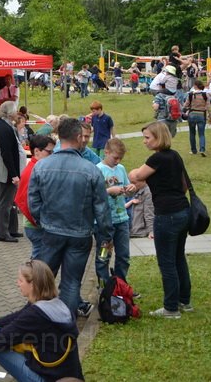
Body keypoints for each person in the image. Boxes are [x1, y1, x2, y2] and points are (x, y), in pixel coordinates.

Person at [28, 116, 113, 319]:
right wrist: (106, 236)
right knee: (72, 282)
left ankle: (37, 321)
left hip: (51, 231)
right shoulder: (91, 170)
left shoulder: (42, 166)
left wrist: (43, 221)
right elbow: (102, 209)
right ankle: (66, 325)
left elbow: (33, 202)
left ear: (58, 137)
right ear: (78, 137)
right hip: (80, 233)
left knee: (44, 279)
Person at [0, 260, 84, 381]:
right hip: (67, 376)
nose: (17, 284)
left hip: (47, 378)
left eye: (20, 280)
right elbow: (17, 316)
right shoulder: (55, 303)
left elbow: (0, 339)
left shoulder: (36, 315)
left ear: (33, 284)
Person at [129, 121, 192, 318]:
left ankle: (171, 308)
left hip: (167, 215)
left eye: (147, 137)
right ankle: (184, 301)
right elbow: (182, 185)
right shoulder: (175, 156)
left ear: (159, 137)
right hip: (183, 210)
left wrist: (133, 174)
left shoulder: (157, 159)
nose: (144, 141)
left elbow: (136, 176)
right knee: (178, 257)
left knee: (167, 262)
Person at [95, 137, 133, 285]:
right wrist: (109, 190)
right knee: (104, 254)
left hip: (122, 220)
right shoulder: (98, 170)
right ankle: (105, 285)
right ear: (106, 152)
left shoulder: (121, 169)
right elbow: (94, 196)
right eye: (115, 157)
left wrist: (130, 190)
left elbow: (127, 190)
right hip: (104, 222)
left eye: (120, 158)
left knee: (124, 255)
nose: (117, 161)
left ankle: (121, 285)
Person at [14, 134, 56, 258]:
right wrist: (39, 222)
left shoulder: (36, 168)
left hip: (35, 223)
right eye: (49, 152)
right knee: (39, 260)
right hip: (35, 224)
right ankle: (32, 277)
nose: (53, 155)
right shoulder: (34, 170)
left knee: (40, 257)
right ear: (37, 151)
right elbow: (25, 201)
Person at [0, 102, 26, 244]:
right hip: (4, 172)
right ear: (9, 112)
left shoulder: (3, 125)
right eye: (15, 110)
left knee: (10, 201)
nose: (17, 112)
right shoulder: (3, 128)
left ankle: (10, 229)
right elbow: (6, 153)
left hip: (5, 170)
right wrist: (13, 174)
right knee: (5, 202)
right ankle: (1, 232)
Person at [185, 79, 211, 156]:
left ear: (195, 86)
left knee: (192, 133)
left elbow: (186, 105)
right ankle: (202, 149)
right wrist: (210, 116)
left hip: (192, 114)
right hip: (202, 114)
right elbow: (208, 106)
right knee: (201, 134)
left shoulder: (190, 94)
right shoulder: (205, 94)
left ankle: (193, 150)